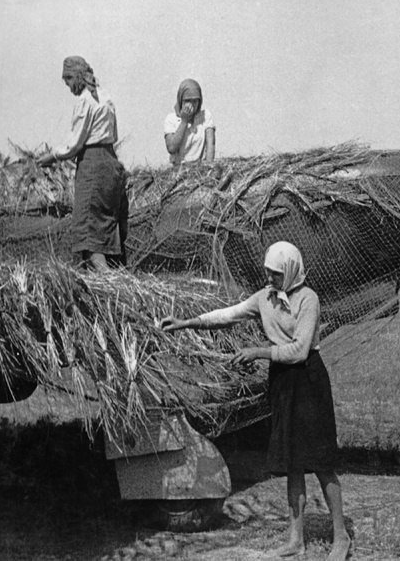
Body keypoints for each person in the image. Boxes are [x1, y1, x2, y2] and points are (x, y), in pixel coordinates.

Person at [161, 241, 350, 561]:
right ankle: (296, 539)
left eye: (276, 274)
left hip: (308, 380)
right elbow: (228, 315)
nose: (271, 279)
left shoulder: (309, 299)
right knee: (292, 463)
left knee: (321, 462)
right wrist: (185, 323)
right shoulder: (264, 298)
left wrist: (257, 352)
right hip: (282, 381)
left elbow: (300, 350)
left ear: (290, 270)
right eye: (268, 273)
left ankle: (341, 536)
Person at [36, 56, 128, 271]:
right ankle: (110, 279)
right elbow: (113, 133)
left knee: (89, 232)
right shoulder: (107, 98)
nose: (67, 85)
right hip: (111, 164)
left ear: (77, 76)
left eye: (68, 79)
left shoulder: (85, 101)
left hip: (93, 166)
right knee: (103, 224)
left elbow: (73, 145)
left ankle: (112, 284)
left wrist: (52, 156)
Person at [163, 78, 215, 166]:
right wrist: (184, 121)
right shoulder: (171, 119)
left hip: (199, 168)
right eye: (187, 101)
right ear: (181, 100)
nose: (191, 105)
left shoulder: (205, 116)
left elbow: (211, 144)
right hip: (178, 169)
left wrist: (208, 166)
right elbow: (171, 148)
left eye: (195, 101)